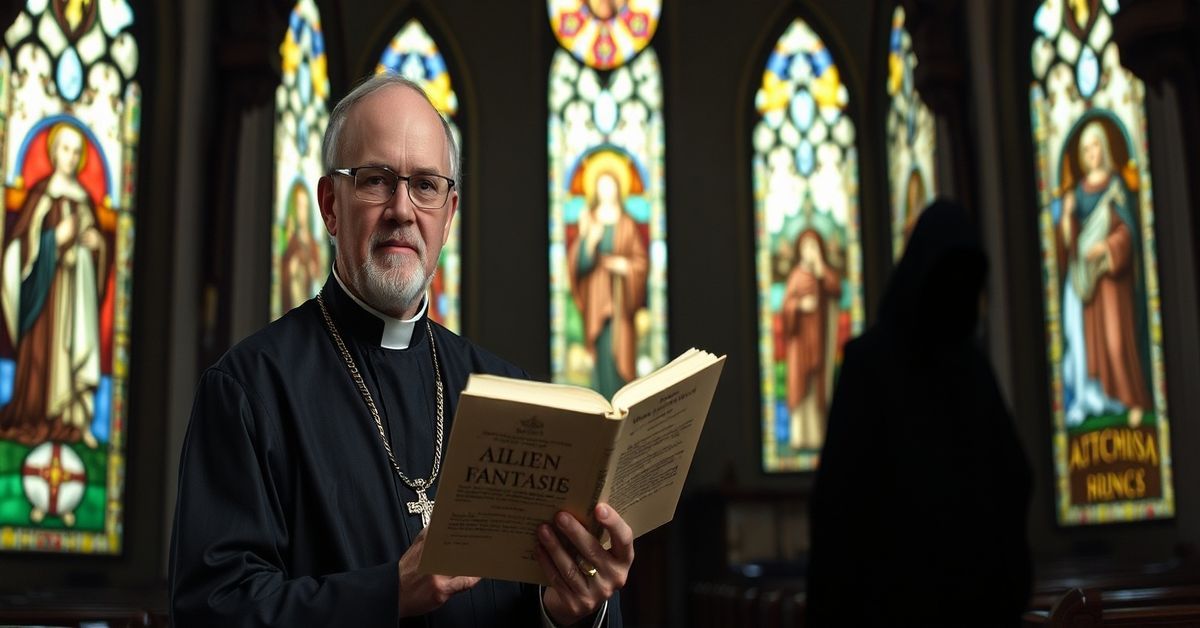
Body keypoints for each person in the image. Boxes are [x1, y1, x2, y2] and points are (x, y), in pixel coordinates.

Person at [170, 74, 633, 627]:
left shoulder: (516, 396)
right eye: (375, 180)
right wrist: (388, 592)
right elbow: (212, 612)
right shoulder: (249, 390)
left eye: (425, 186)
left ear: (449, 213)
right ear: (330, 205)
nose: (401, 209)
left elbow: (541, 603)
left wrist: (573, 612)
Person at [806, 200, 1032, 627]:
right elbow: (839, 511)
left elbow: (1011, 482)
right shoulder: (879, 365)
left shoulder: (965, 368)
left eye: (968, 282)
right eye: (950, 279)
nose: (958, 293)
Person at [0, 121, 104, 449]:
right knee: (47, 356)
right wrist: (52, 242)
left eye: (76, 152)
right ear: (54, 152)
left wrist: (96, 245)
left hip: (76, 296)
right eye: (65, 150)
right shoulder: (42, 195)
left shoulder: (85, 200)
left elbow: (102, 252)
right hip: (46, 300)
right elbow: (18, 249)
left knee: (74, 349)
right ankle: (36, 417)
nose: (71, 158)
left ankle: (74, 417)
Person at [1058, 119, 1150, 428]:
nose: (1091, 153)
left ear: (1104, 148)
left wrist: (1107, 248)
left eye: (1095, 146)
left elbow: (1128, 231)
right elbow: (1072, 243)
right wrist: (1068, 216)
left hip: (1113, 281)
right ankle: (1108, 401)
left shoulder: (1115, 186)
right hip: (1090, 284)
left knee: (1116, 342)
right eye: (1085, 149)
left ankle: (1134, 399)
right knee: (1095, 346)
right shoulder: (1082, 192)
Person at [567, 163, 648, 399]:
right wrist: (590, 242)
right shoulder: (589, 221)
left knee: (620, 356)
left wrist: (625, 266)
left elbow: (640, 262)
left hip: (622, 304)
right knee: (601, 358)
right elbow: (578, 265)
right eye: (601, 187)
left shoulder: (626, 223)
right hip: (596, 304)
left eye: (610, 186)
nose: (606, 191)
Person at [781, 228, 840, 451]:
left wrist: (821, 269)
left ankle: (818, 437)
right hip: (799, 344)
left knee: (817, 388)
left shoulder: (823, 274)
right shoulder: (796, 276)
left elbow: (836, 288)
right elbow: (786, 306)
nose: (810, 251)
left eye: (814, 246)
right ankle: (800, 437)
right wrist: (798, 306)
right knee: (800, 385)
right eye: (806, 247)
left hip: (819, 343)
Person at [279, 182, 323, 313]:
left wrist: (310, 269)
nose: (301, 211)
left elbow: (318, 277)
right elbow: (284, 272)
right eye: (298, 206)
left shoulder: (313, 244)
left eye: (304, 206)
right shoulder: (290, 242)